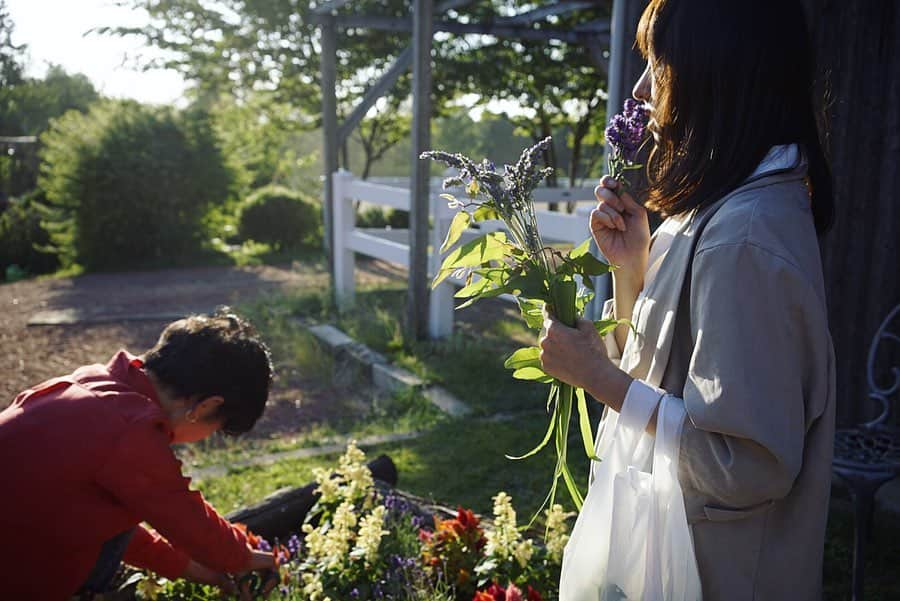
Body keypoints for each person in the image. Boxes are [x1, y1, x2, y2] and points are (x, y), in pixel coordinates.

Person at [539, 1, 835, 599]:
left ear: (717, 72)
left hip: (714, 572)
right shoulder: (718, 206)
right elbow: (668, 367)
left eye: (660, 62)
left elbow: (743, 464)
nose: (643, 87)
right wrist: (633, 270)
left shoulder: (746, 237)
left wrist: (596, 377)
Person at [0, 309, 279, 600]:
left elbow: (108, 526)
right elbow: (184, 516)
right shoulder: (129, 430)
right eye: (217, 428)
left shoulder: (96, 388)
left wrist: (197, 570)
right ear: (206, 407)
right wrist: (244, 558)